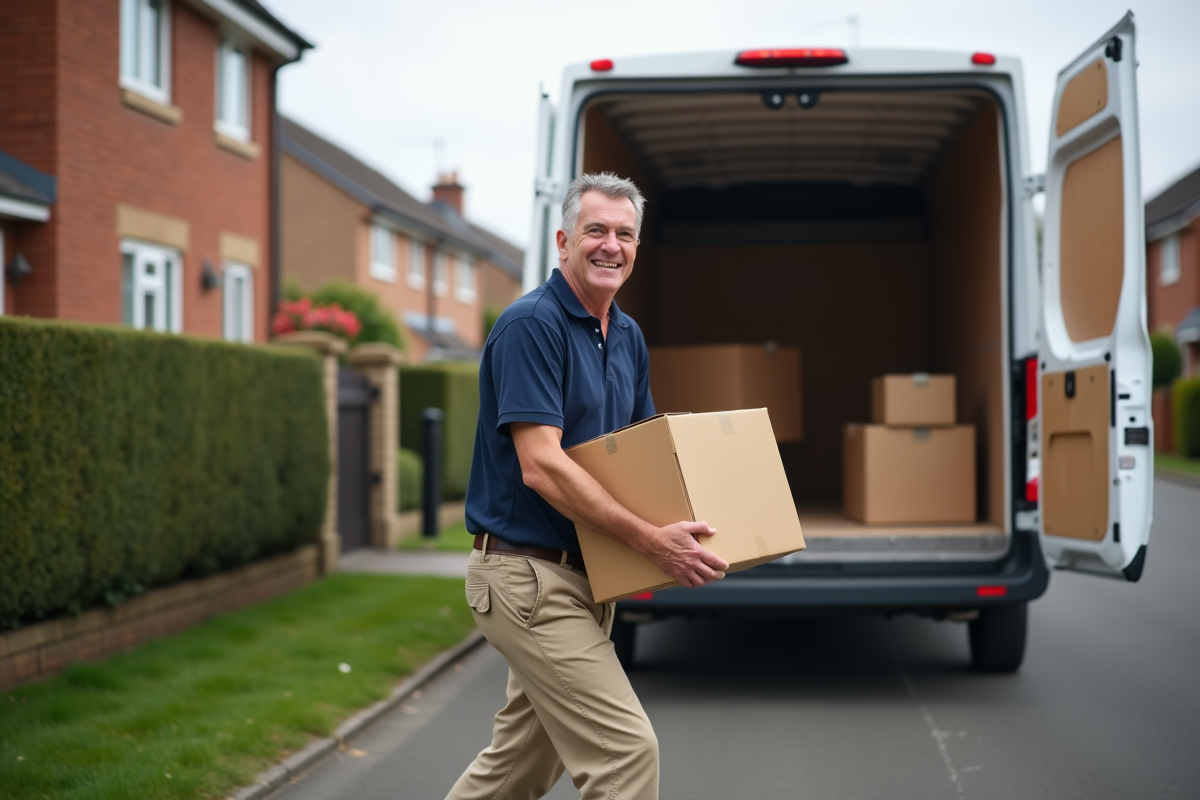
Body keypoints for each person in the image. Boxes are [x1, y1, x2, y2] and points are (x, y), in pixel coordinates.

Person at [445, 173, 730, 800]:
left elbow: (640, 455)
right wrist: (653, 542)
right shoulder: (531, 327)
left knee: (518, 767)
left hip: (588, 579)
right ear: (563, 241)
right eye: (595, 230)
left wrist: (711, 511)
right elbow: (541, 465)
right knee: (626, 754)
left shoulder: (625, 336)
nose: (611, 246)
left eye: (625, 234)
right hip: (528, 580)